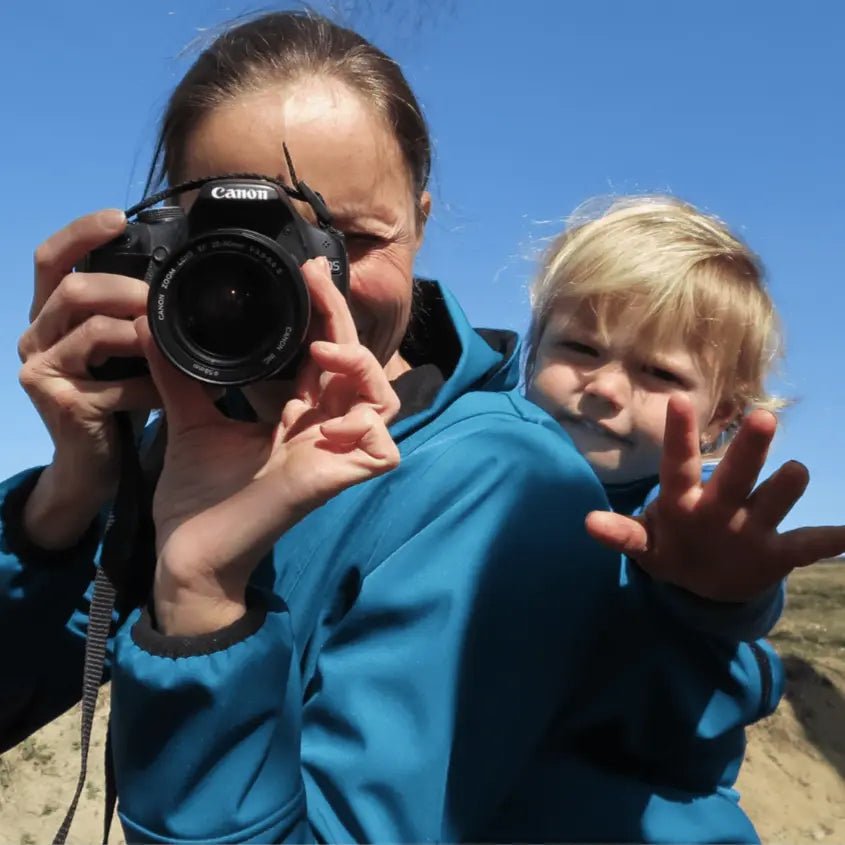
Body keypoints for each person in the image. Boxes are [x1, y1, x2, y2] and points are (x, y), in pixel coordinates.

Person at [2, 11, 840, 843]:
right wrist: (65, 500)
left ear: (421, 220)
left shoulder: (502, 480)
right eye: (237, 241)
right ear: (165, 242)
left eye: (352, 237)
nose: (304, 279)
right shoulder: (180, 448)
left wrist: (203, 606)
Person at [519, 194, 845, 842]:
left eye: (658, 372)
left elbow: (728, 597)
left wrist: (716, 591)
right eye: (580, 347)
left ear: (718, 419)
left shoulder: (688, 519)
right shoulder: (484, 465)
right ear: (531, 353)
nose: (605, 388)